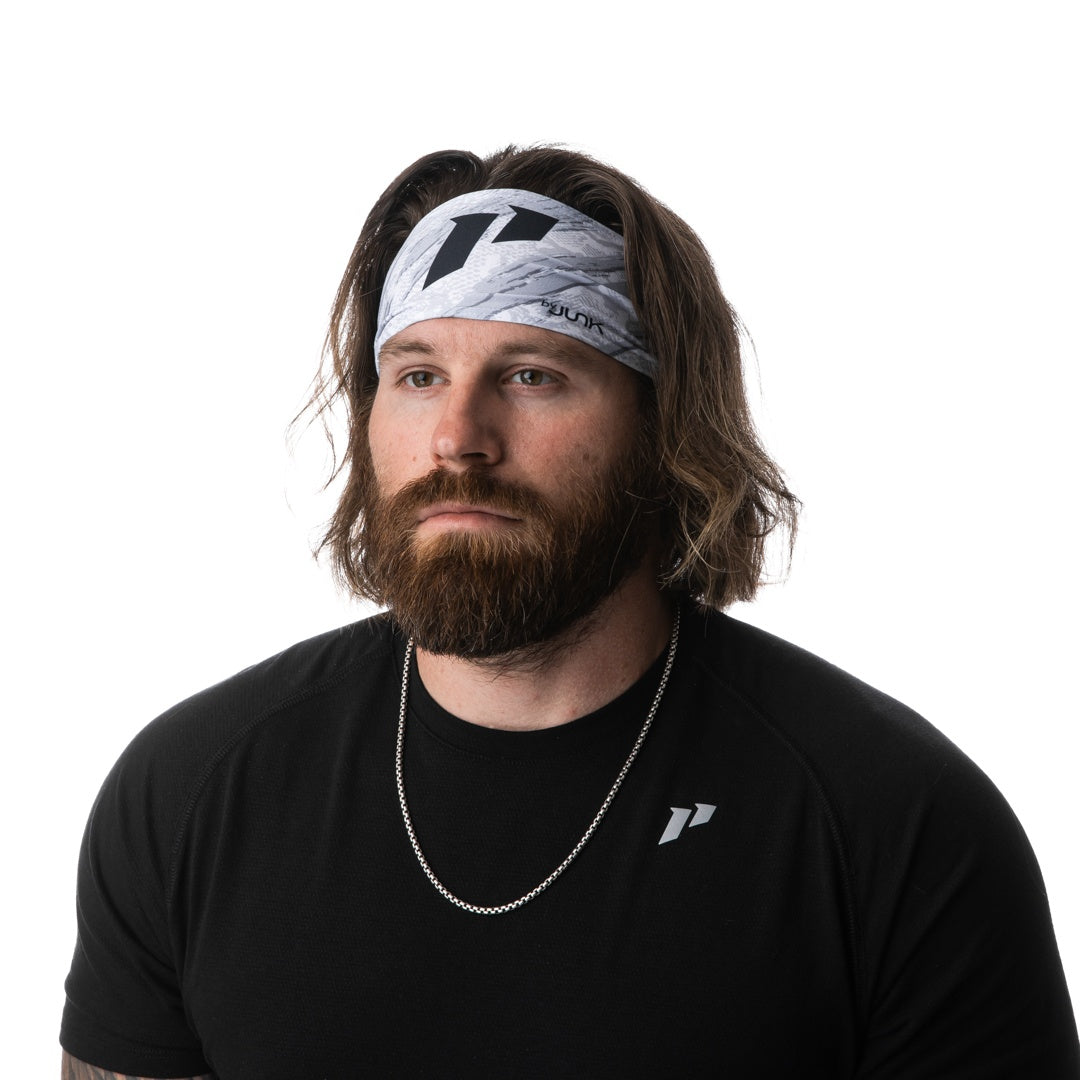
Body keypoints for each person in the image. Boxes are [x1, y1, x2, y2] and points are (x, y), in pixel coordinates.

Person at [60, 146, 1079, 1079]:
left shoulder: (893, 826)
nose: (458, 436)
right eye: (418, 375)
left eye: (532, 376)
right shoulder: (189, 793)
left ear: (663, 429)